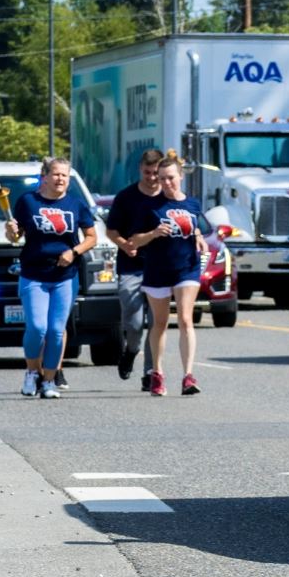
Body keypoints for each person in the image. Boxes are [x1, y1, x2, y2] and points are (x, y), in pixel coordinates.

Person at [5, 157, 97, 399]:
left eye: (64, 175)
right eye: (56, 174)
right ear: (44, 177)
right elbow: (15, 236)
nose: (60, 179)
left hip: (65, 276)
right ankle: (31, 373)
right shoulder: (28, 201)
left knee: (56, 331)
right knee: (37, 327)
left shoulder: (76, 204)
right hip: (34, 274)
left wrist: (73, 252)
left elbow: (91, 237)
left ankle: (48, 381)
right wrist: (11, 231)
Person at [123, 154, 207, 397]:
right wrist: (153, 233)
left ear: (180, 176)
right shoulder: (150, 206)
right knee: (159, 323)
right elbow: (134, 240)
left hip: (187, 268)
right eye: (162, 179)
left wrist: (199, 238)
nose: (166, 183)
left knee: (185, 319)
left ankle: (188, 376)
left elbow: (197, 227)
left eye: (170, 178)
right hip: (157, 270)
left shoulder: (193, 204)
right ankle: (157, 373)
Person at [105, 149, 167, 389]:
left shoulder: (168, 198)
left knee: (156, 323)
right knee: (134, 323)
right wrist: (124, 245)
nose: (152, 178)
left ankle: (151, 373)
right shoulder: (126, 197)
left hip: (159, 268)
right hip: (131, 267)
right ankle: (131, 350)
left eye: (156, 173)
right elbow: (111, 231)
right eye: (147, 172)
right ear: (140, 169)